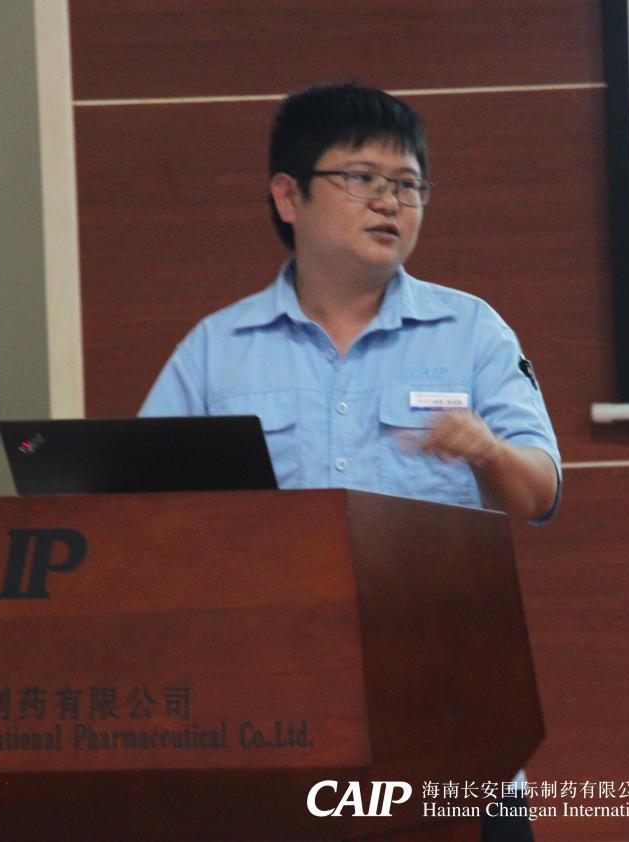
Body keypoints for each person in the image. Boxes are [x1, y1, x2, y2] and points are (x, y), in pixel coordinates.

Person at [141, 82, 557, 839]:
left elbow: (538, 493)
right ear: (288, 196)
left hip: (448, 717)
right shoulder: (216, 350)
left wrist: (488, 452)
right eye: (362, 178)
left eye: (408, 185)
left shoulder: (470, 332)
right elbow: (136, 510)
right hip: (273, 717)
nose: (390, 202)